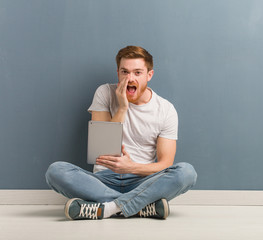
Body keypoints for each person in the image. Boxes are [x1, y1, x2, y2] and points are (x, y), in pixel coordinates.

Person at [45, 45, 197, 220]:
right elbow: (102, 149)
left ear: (149, 75)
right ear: (118, 72)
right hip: (102, 179)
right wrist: (122, 107)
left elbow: (165, 164)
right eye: (125, 72)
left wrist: (131, 167)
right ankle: (140, 208)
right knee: (56, 171)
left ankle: (108, 208)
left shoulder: (166, 110)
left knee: (186, 172)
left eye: (137, 73)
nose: (130, 78)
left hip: (142, 180)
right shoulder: (104, 93)